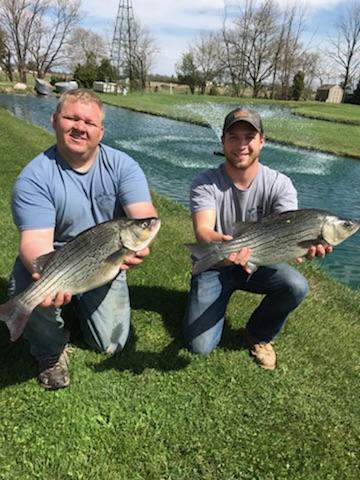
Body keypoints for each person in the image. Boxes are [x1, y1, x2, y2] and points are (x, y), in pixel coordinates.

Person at [9, 88, 158, 390]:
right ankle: (50, 349)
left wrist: (141, 241)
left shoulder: (123, 166)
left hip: (106, 258)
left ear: (101, 131)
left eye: (89, 123)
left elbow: (144, 215)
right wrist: (44, 278)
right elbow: (35, 242)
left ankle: (80, 305)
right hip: (56, 257)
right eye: (71, 118)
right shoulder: (34, 178)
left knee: (111, 345)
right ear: (54, 121)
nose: (80, 127)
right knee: (29, 288)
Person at [183, 107, 332, 370]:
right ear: (223, 141)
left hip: (261, 261)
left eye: (249, 137)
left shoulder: (280, 184)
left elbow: (290, 229)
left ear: (262, 141)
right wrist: (227, 247)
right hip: (217, 263)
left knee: (295, 285)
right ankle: (204, 291)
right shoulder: (205, 182)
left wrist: (304, 247)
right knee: (200, 347)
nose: (241, 145)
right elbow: (204, 232)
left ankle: (259, 334)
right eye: (233, 137)